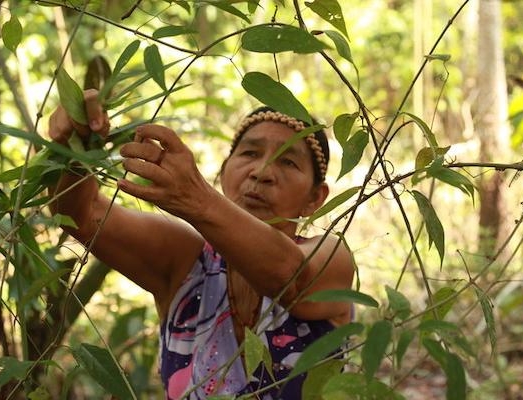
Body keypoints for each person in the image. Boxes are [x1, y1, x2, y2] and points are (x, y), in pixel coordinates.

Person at [48, 89, 355, 399]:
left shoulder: (331, 258)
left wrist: (197, 199)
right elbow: (83, 215)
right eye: (249, 153)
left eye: (288, 162)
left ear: (315, 198)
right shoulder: (188, 261)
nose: (261, 172)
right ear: (223, 172)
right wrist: (74, 145)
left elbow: (290, 277)